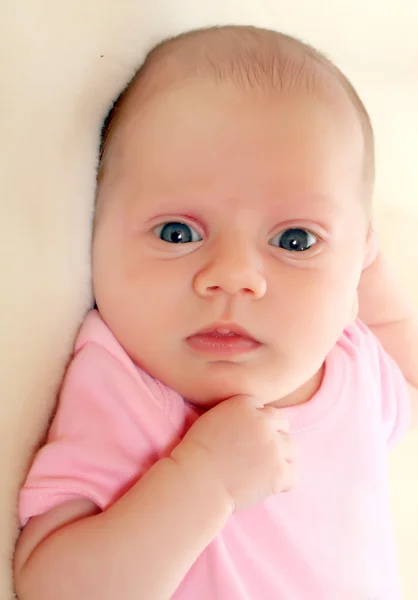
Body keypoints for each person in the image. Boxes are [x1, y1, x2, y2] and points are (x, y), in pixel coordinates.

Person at [13, 25, 418, 600]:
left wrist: (367, 271)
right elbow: (55, 586)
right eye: (178, 232)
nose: (233, 275)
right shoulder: (127, 386)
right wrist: (202, 482)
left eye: (296, 241)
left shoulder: (351, 368)